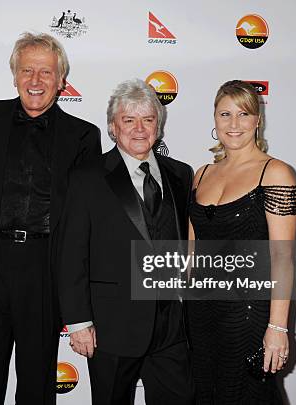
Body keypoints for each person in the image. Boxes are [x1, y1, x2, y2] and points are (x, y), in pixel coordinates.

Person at [0, 32, 101, 405]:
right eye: (27, 70)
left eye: (45, 73)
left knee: (37, 383)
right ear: (14, 76)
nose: (35, 81)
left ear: (61, 81)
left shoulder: (83, 137)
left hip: (46, 269)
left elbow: (83, 223)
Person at [58, 79, 195, 404]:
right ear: (112, 127)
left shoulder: (181, 174)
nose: (139, 129)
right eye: (128, 120)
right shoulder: (87, 176)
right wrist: (78, 322)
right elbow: (70, 253)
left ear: (158, 127)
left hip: (171, 325)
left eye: (147, 119)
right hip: (112, 325)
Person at [187, 80, 296, 404]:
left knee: (246, 395)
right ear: (214, 120)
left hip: (247, 313)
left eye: (243, 114)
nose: (233, 124)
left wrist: (278, 328)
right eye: (225, 114)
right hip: (201, 314)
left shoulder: (276, 173)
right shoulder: (202, 174)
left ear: (257, 120)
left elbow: (282, 259)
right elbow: (194, 253)